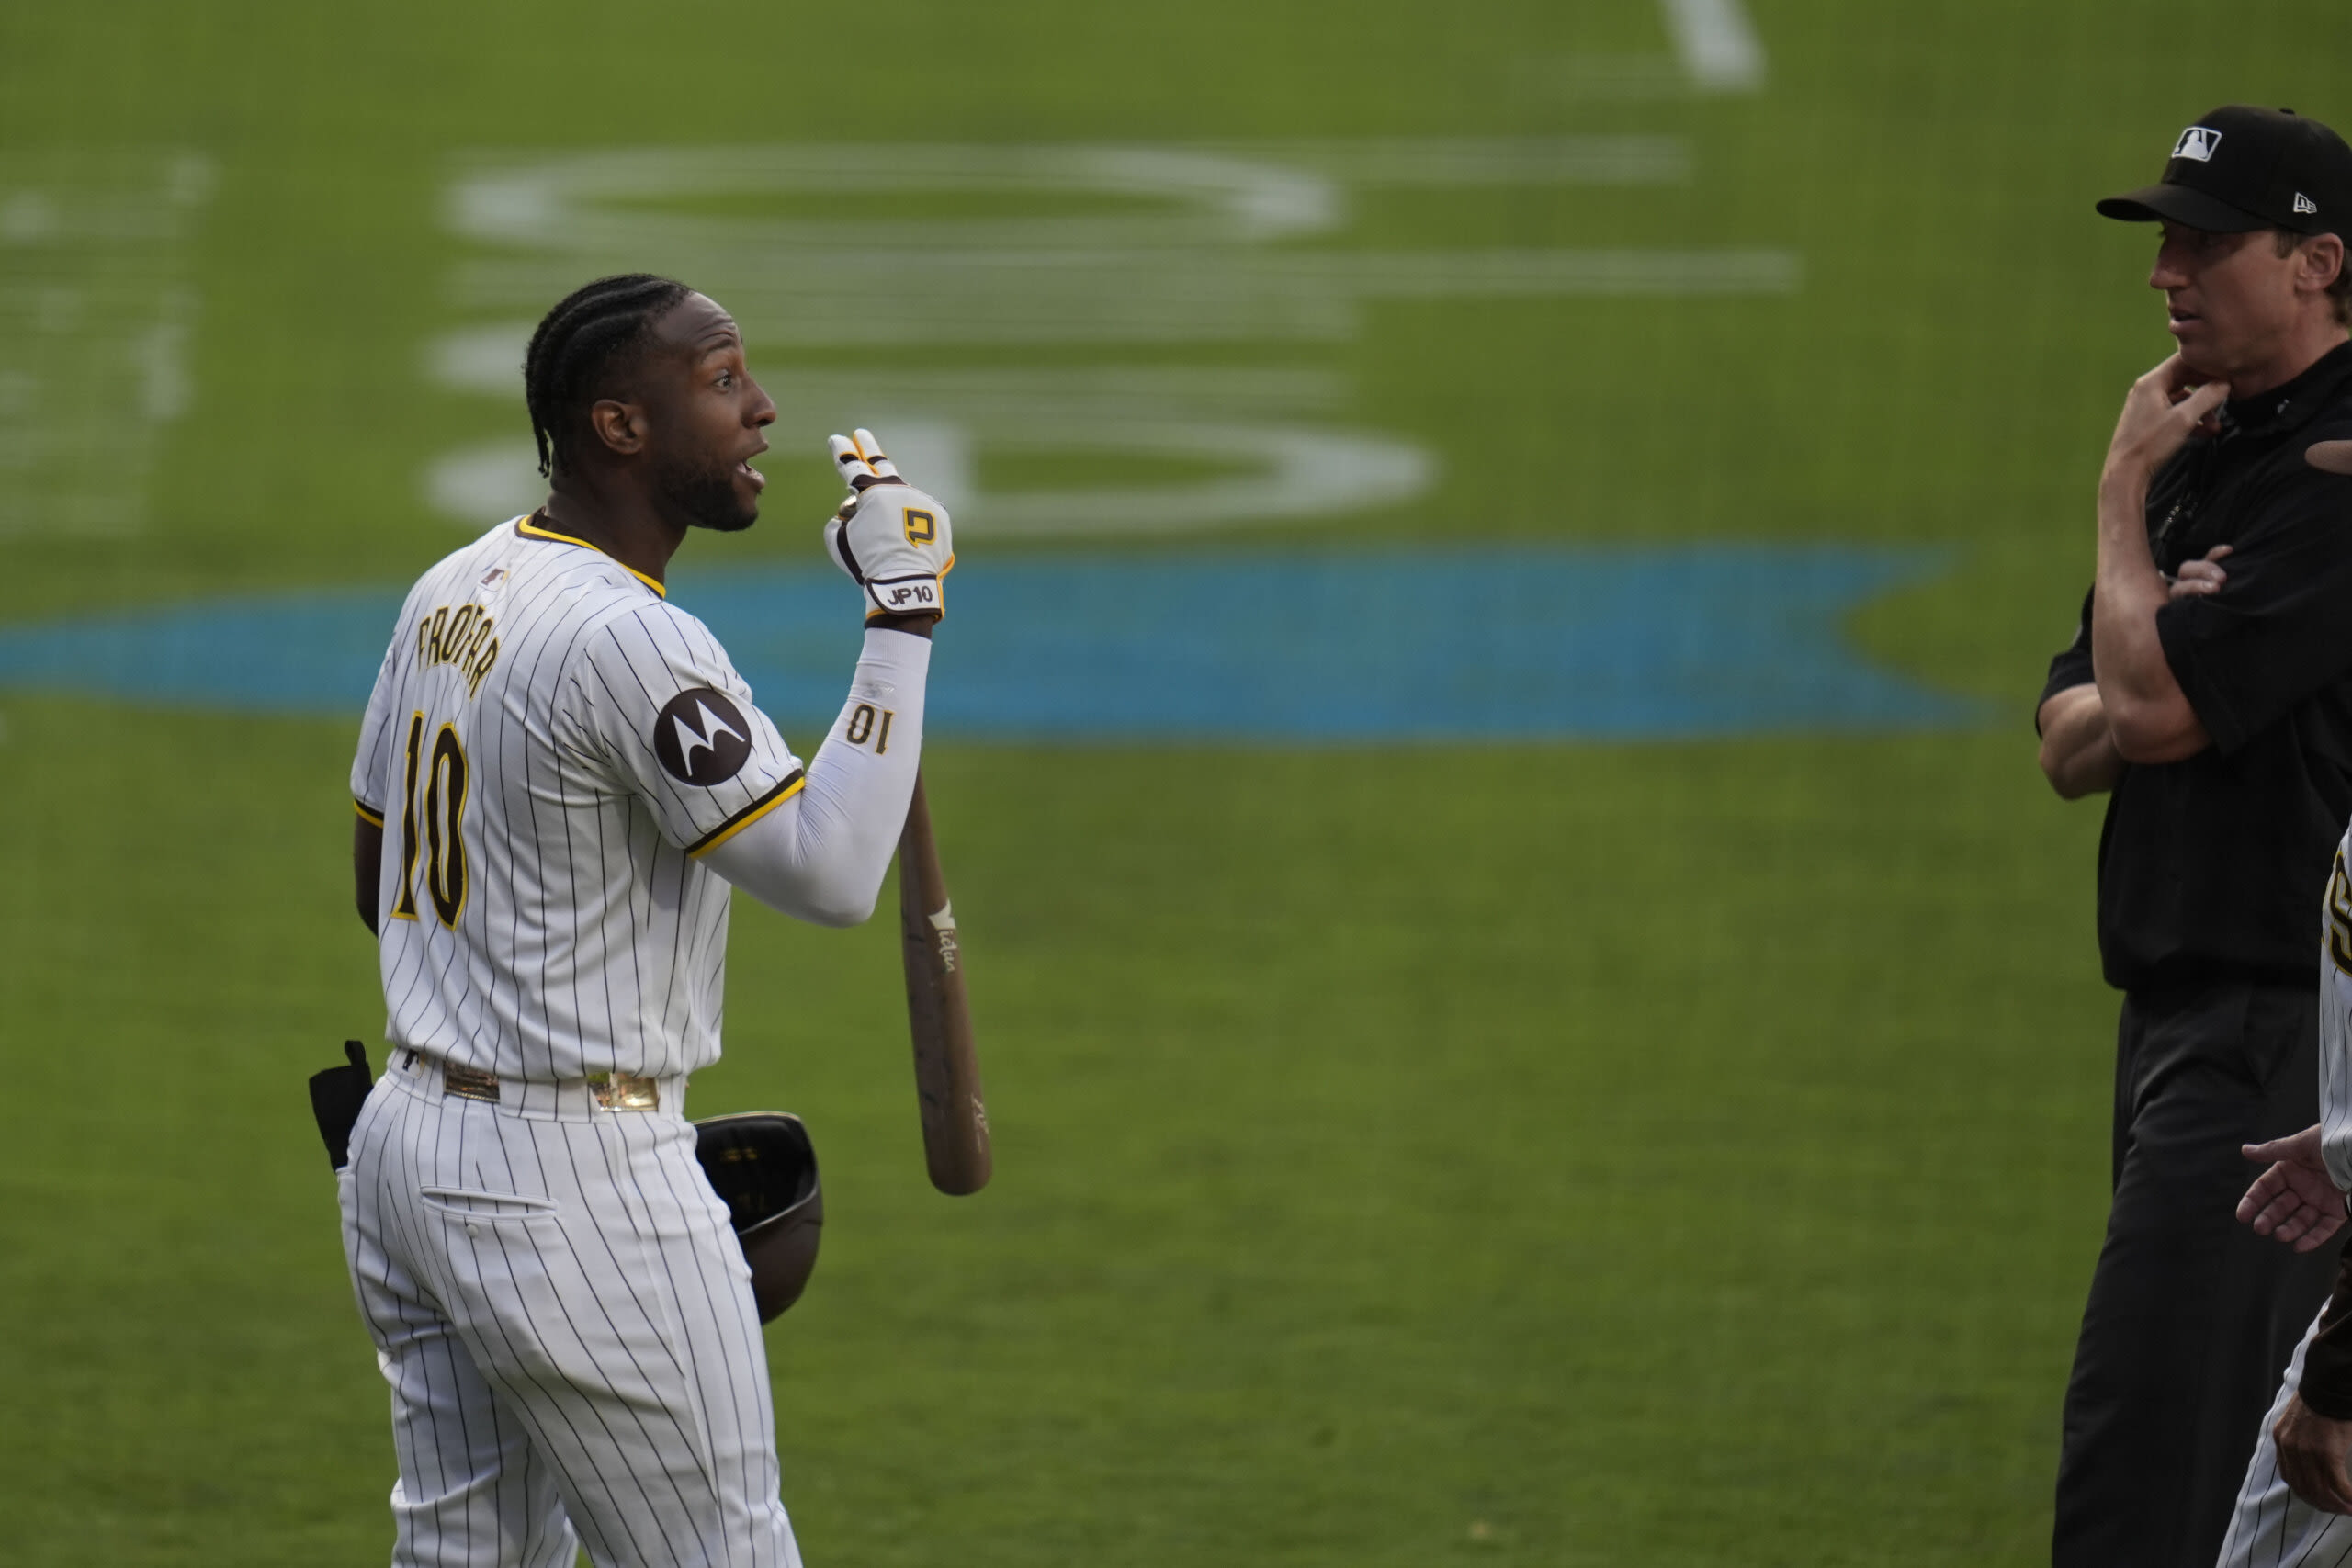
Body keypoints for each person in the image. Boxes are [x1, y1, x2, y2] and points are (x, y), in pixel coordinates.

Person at [338, 273, 955, 1566]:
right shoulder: (634, 642)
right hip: (568, 1177)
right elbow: (836, 873)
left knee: (469, 1557)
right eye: (723, 382)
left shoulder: (455, 584)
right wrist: (900, 620)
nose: (764, 410)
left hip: (405, 1149)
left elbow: (373, 867)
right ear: (621, 426)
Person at [2034, 105, 2352, 1567]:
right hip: (2173, 1025)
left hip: (2282, 1040)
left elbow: (2145, 718)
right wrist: (2157, 628)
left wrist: (2117, 506)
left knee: (2146, 1481)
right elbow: (2067, 736)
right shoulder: (2211, 443)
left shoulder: (2334, 471)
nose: (2168, 269)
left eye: (2208, 241)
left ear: (2318, 262)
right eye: (2166, 236)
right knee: (2213, 1475)